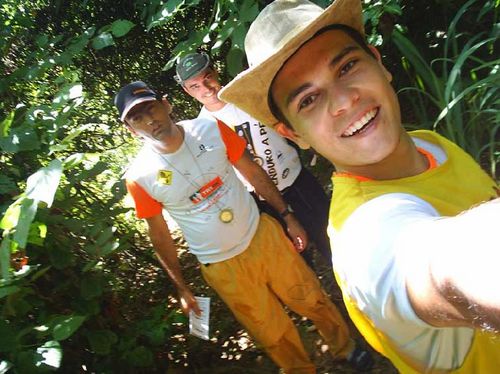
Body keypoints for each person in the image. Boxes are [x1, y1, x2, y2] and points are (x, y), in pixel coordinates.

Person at [219, 0, 500, 372]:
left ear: (378, 62)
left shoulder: (430, 143)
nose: (344, 100)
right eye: (309, 100)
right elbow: (458, 264)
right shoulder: (364, 239)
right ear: (291, 134)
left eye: (347, 66)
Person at [115, 81, 373, 373]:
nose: (150, 120)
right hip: (222, 264)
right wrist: (182, 288)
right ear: (130, 129)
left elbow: (252, 170)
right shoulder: (140, 176)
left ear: (166, 104)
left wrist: (287, 216)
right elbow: (159, 234)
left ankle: (345, 347)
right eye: (137, 118)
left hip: (261, 235)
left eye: (151, 109)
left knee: (311, 297)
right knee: (270, 332)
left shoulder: (210, 129)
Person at [174, 52, 333, 269]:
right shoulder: (204, 129)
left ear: (216, 71)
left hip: (297, 181)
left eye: (207, 77)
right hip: (264, 202)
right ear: (186, 90)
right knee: (298, 263)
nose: (206, 88)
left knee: (332, 239)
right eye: (195, 86)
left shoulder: (245, 96)